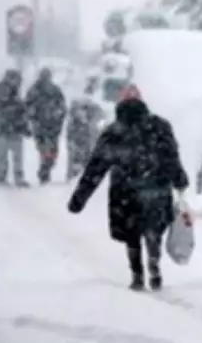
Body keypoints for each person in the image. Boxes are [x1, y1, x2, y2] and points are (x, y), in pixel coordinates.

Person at [67, 97, 190, 291]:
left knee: (131, 233)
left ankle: (137, 274)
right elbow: (171, 157)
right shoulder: (160, 127)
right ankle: (154, 261)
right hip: (157, 188)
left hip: (126, 191)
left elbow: (95, 168)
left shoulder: (114, 132)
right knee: (153, 229)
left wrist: (79, 199)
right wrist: (179, 179)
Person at [26, 67, 67, 184]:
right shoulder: (34, 90)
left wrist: (59, 117)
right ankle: (44, 172)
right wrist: (33, 116)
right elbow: (27, 106)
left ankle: (45, 168)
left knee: (53, 153)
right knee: (44, 151)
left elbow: (63, 107)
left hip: (53, 126)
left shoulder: (55, 90)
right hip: (40, 126)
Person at [0, 69, 31, 187]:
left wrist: (25, 127)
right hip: (6, 129)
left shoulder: (14, 94)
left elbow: (22, 112)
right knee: (6, 157)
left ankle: (11, 177)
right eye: (17, 80)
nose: (18, 83)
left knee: (14, 157)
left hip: (12, 130)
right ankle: (4, 178)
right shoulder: (3, 92)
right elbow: (2, 109)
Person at [65, 79, 103, 181]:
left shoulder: (94, 100)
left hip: (87, 130)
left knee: (86, 152)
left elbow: (99, 115)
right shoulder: (85, 99)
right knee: (79, 153)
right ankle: (77, 173)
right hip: (82, 130)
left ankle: (81, 173)